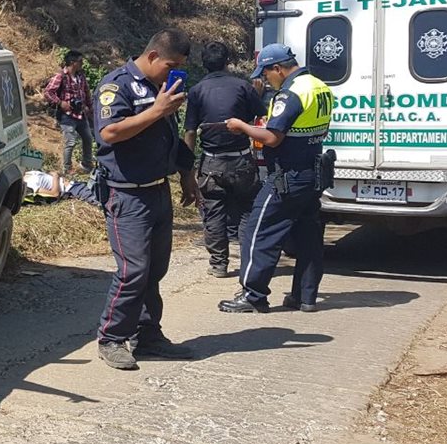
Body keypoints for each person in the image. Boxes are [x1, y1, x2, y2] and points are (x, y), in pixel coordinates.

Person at [93, 29, 199, 370]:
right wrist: (156, 110)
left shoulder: (159, 88)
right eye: (172, 65)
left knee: (155, 269)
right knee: (132, 270)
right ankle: (111, 338)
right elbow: (109, 133)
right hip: (126, 196)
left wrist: (186, 173)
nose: (174, 72)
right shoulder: (116, 85)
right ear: (153, 56)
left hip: (158, 190)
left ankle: (148, 335)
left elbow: (168, 135)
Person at [217, 44, 333, 314]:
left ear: (277, 68)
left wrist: (242, 127)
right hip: (313, 173)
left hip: (287, 176)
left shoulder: (290, 93)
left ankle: (253, 296)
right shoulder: (319, 87)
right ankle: (305, 296)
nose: (265, 80)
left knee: (260, 232)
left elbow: (272, 137)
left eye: (266, 74)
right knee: (308, 236)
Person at [183, 42, 266, 279]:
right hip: (241, 162)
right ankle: (249, 262)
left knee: (214, 213)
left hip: (211, 163)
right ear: (227, 61)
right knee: (246, 211)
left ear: (203, 64)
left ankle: (219, 265)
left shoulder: (197, 91)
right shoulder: (242, 86)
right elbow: (259, 115)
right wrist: (257, 94)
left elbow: (190, 131)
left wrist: (188, 168)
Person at [44, 50, 93, 175]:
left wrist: (89, 106)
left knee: (88, 138)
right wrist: (60, 103)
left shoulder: (80, 76)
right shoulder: (61, 76)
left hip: (80, 114)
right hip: (67, 116)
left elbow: (86, 92)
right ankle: (67, 169)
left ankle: (87, 164)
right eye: (80, 61)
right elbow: (48, 92)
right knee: (70, 142)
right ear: (73, 62)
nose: (82, 63)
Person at [21, 169, 101, 207]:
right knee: (101, 201)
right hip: (71, 190)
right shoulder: (29, 185)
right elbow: (54, 194)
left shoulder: (29, 173)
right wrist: (56, 176)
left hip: (74, 183)